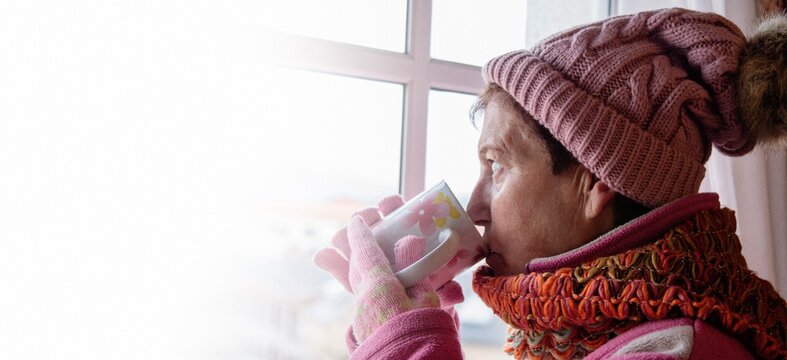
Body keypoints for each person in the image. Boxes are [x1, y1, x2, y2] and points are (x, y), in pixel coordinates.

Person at [314, 7, 787, 359]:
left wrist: (406, 343)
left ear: (595, 182)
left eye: (496, 166)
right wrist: (403, 326)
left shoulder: (679, 350)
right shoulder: (575, 331)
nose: (476, 207)